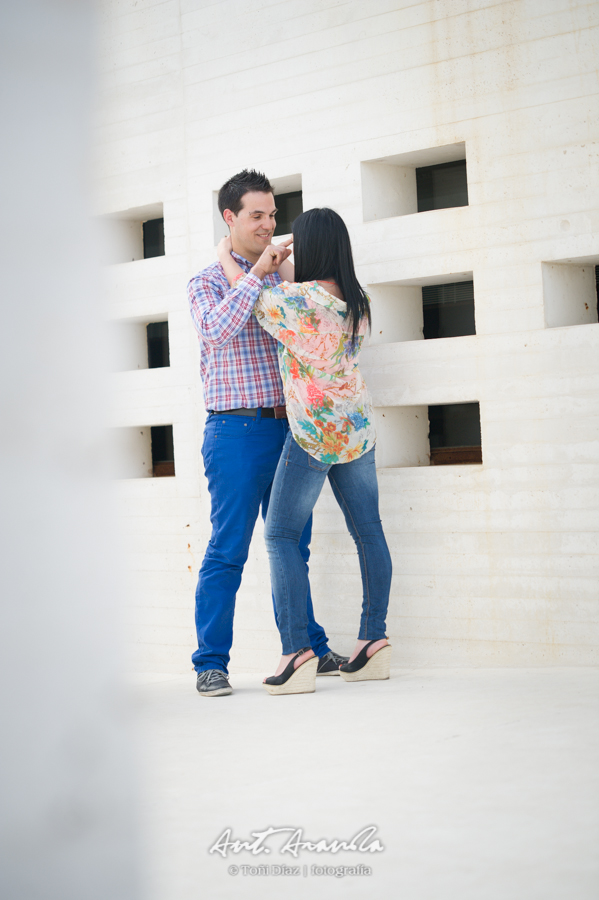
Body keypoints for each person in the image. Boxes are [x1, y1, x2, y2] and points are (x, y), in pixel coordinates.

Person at [217, 207, 393, 696]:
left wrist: (230, 258)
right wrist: (283, 265)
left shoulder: (294, 303)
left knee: (279, 536)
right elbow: (308, 292)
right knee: (370, 533)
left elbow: (249, 295)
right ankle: (373, 640)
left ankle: (297, 652)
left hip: (313, 433)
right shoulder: (358, 301)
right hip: (356, 430)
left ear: (310, 250)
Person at [187, 170, 348, 697]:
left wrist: (272, 270)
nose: (268, 224)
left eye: (273, 215)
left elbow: (315, 313)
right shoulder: (206, 282)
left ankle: (308, 648)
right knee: (227, 550)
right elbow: (217, 328)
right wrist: (255, 271)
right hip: (233, 431)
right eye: (257, 215)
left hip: (288, 430)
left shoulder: (280, 278)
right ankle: (210, 663)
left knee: (290, 546)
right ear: (230, 218)